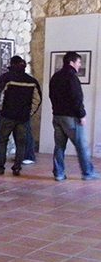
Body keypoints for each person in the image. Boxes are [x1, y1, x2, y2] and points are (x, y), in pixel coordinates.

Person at [49, 51, 99, 181]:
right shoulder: (72, 77)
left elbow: (51, 95)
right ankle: (87, 172)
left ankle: (59, 173)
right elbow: (76, 98)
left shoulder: (55, 76)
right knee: (82, 145)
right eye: (78, 62)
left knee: (59, 146)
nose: (79, 65)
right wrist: (81, 114)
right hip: (71, 117)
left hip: (57, 116)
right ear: (71, 62)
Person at [0, 56, 41, 177]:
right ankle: (17, 167)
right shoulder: (31, 81)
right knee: (20, 143)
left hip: (7, 116)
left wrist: (0, 109)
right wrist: (29, 112)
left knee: (2, 142)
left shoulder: (6, 78)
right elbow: (37, 99)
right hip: (23, 117)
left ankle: (0, 167)